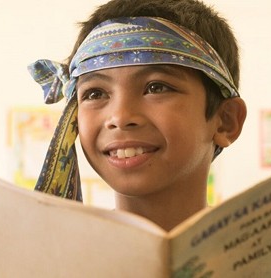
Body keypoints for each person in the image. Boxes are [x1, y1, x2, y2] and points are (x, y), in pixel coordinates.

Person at [28, 0, 247, 231]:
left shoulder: (269, 257)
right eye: (95, 93)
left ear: (225, 121)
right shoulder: (53, 258)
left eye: (157, 88)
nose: (120, 117)